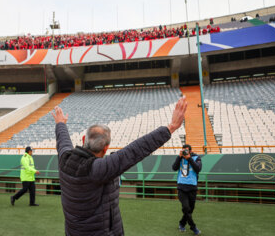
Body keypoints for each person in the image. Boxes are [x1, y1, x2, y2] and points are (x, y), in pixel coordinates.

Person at [52, 96, 187, 236]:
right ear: (106, 148)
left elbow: (63, 140)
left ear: (84, 139)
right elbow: (134, 151)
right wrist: (171, 127)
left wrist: (60, 123)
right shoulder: (99, 169)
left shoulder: (64, 158)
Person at [172, 144, 202, 235]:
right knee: (186, 207)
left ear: (190, 151)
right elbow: (174, 168)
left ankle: (182, 223)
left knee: (190, 209)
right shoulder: (180, 158)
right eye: (183, 150)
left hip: (192, 187)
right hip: (181, 187)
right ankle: (193, 227)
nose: (185, 152)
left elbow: (198, 169)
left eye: (187, 151)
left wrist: (189, 158)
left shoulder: (196, 157)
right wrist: (179, 157)